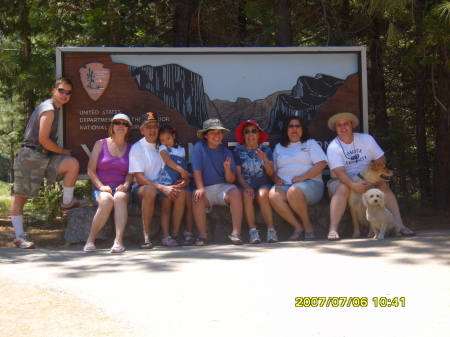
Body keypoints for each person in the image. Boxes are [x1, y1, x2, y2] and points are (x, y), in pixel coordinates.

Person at [10, 77, 90, 249]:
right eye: (61, 90)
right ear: (53, 91)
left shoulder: (56, 108)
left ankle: (66, 203)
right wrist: (62, 151)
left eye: (68, 92)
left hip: (46, 157)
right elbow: (43, 139)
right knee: (21, 197)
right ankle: (18, 237)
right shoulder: (48, 109)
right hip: (31, 156)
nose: (65, 95)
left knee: (71, 164)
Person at [326, 111, 415, 240]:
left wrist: (371, 175)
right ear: (335, 128)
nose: (343, 127)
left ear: (352, 125)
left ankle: (400, 225)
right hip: (343, 180)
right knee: (343, 188)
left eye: (346, 124)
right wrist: (354, 185)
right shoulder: (333, 147)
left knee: (382, 186)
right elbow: (340, 172)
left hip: (368, 177)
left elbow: (381, 159)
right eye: (339, 125)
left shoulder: (366, 139)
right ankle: (333, 229)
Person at [129, 112, 187, 249]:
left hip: (166, 184)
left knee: (181, 193)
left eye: (154, 125)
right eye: (148, 126)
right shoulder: (137, 148)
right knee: (150, 190)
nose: (152, 129)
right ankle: (146, 236)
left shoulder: (165, 145)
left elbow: (181, 167)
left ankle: (174, 234)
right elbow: (139, 177)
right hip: (144, 187)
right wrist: (161, 187)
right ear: (141, 130)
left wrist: (185, 181)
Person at [269, 116, 327, 241]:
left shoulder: (310, 143)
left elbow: (321, 164)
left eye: (297, 126)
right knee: (273, 195)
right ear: (286, 129)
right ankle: (297, 227)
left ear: (303, 129)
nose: (294, 129)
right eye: (291, 126)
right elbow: (273, 171)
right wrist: (276, 180)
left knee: (294, 191)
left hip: (310, 184)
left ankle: (308, 227)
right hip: (286, 185)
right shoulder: (279, 147)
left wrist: (302, 177)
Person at [83, 113, 134, 253]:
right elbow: (90, 169)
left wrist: (126, 185)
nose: (121, 126)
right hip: (101, 188)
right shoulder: (100, 144)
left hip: (121, 188)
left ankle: (118, 241)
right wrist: (101, 186)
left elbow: (132, 172)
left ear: (128, 129)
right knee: (106, 200)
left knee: (119, 197)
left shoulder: (131, 148)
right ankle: (90, 241)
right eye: (118, 122)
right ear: (112, 125)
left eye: (125, 124)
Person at [191, 118, 243, 246]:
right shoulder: (199, 148)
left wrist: (227, 170)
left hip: (223, 188)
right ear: (205, 135)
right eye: (212, 132)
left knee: (236, 193)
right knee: (196, 197)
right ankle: (202, 236)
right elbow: (196, 170)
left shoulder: (226, 151)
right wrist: (201, 188)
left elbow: (231, 179)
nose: (217, 135)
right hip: (206, 188)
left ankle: (236, 233)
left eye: (219, 132)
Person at [233, 120, 277, 244]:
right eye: (247, 132)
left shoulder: (266, 150)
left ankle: (271, 231)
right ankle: (253, 232)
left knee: (263, 195)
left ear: (258, 134)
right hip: (245, 184)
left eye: (254, 131)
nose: (250, 134)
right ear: (243, 136)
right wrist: (246, 187)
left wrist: (265, 160)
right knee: (247, 195)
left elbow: (270, 173)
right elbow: (238, 174)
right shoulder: (237, 151)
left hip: (263, 183)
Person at [157, 125, 194, 246]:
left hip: (180, 181)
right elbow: (167, 161)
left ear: (174, 136)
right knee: (166, 209)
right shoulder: (162, 148)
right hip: (167, 181)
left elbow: (184, 164)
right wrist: (182, 171)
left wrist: (185, 177)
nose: (165, 142)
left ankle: (179, 233)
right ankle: (166, 235)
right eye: (162, 140)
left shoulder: (181, 150)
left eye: (168, 138)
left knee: (187, 204)